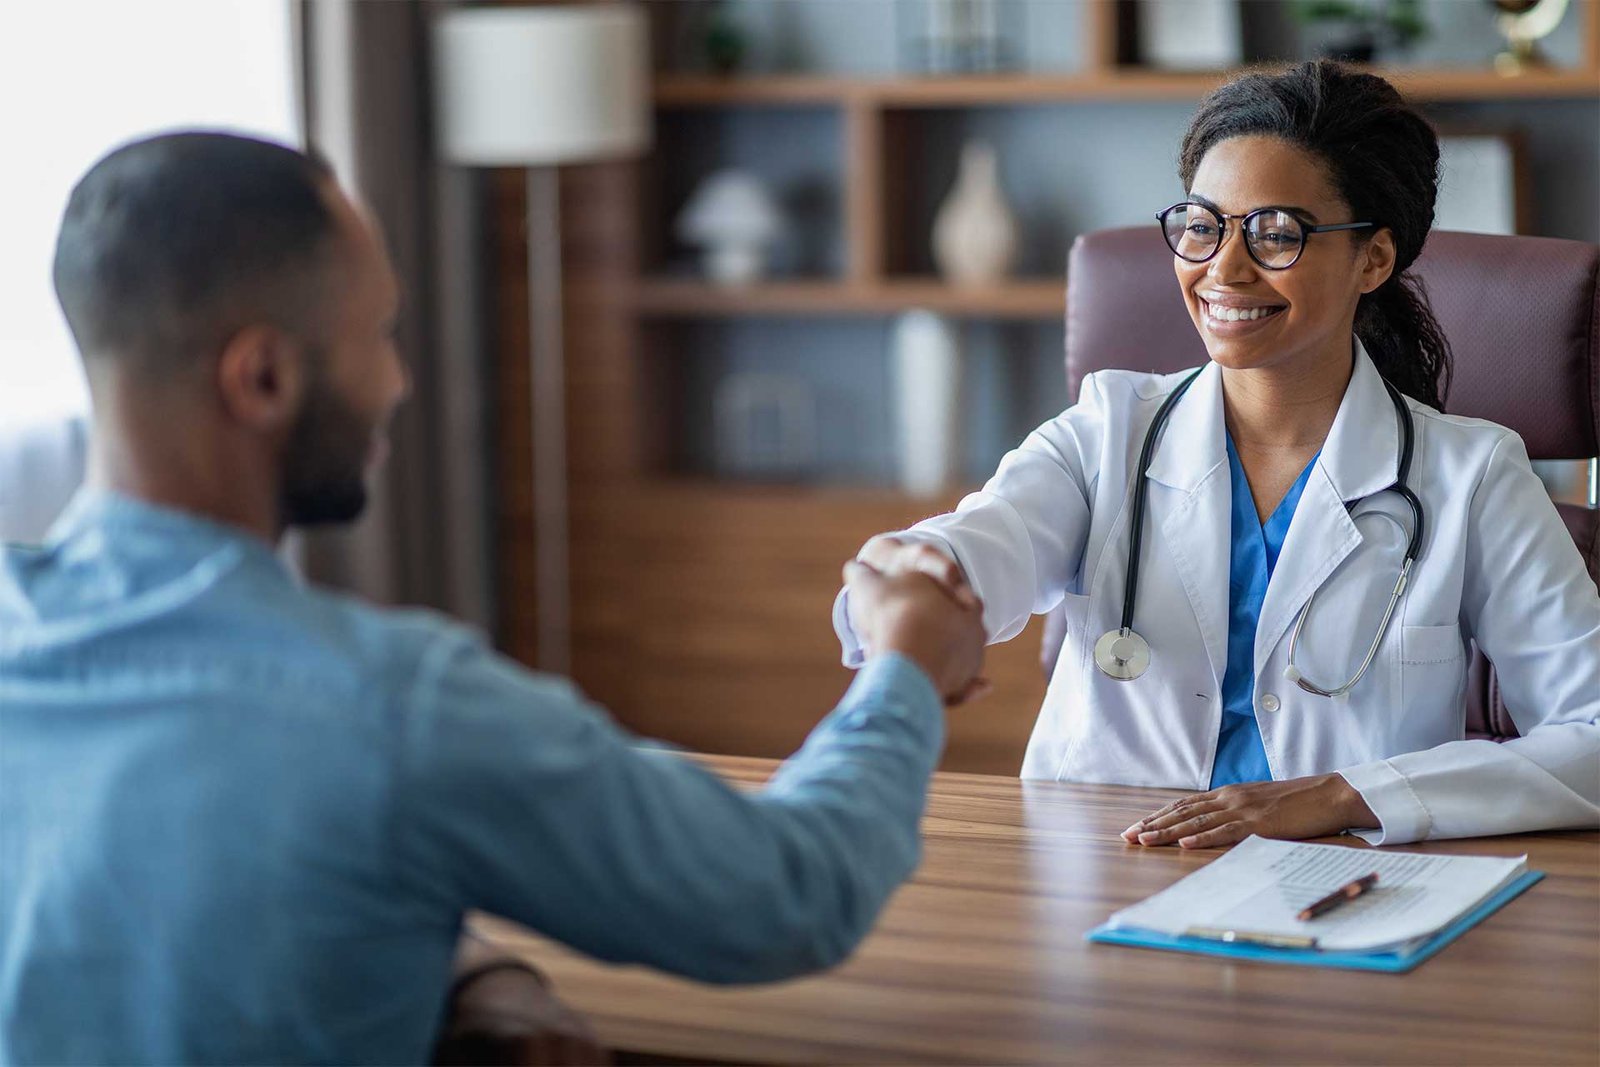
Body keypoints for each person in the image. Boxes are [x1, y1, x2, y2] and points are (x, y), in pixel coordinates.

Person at [0, 131, 987, 1064]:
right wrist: (905, 660)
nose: (397, 381)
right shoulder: (391, 709)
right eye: (377, 334)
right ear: (261, 377)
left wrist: (468, 964)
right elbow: (792, 891)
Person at [835, 60, 1600, 849]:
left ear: (1373, 258)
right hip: (1107, 873)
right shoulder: (1108, 430)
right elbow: (985, 542)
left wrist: (1345, 795)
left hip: (1342, 882)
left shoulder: (1471, 476)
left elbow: (1594, 731)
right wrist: (921, 576)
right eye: (1203, 226)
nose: (1224, 269)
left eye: (1277, 233)